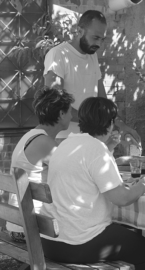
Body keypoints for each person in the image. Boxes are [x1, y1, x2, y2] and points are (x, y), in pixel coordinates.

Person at [40, 97, 145, 270]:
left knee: (125, 236)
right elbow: (121, 199)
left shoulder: (67, 143)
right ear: (109, 124)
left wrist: (108, 148)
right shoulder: (96, 150)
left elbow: (88, 170)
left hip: (50, 241)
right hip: (77, 242)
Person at [43, 10, 141, 150]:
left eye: (102, 39)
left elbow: (102, 99)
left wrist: (119, 124)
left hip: (91, 137)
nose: (99, 44)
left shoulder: (92, 56)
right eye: (95, 38)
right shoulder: (58, 54)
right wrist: (93, 122)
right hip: (64, 138)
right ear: (79, 30)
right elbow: (55, 103)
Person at [6, 87, 74, 243]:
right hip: (29, 229)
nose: (72, 115)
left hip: (19, 225)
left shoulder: (32, 136)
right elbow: (73, 174)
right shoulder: (45, 143)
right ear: (61, 114)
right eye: (70, 111)